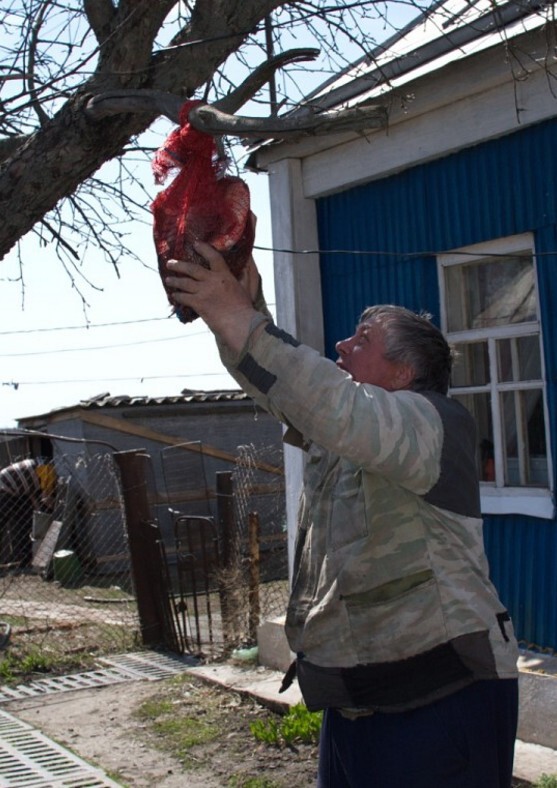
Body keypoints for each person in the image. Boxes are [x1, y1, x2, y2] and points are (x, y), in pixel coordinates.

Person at [165, 241, 519, 788]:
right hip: (357, 702)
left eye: (363, 340)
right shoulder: (344, 439)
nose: (341, 344)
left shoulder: (434, 423)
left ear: (403, 373)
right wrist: (242, 303)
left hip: (439, 697)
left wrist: (238, 315)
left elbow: (330, 402)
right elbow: (292, 392)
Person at [0, 458, 56, 568]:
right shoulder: (49, 472)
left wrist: (39, 509)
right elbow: (46, 498)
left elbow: (32, 492)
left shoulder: (42, 467)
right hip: (4, 490)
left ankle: (26, 559)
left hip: (16, 490)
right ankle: (25, 558)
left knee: (24, 523)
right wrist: (52, 507)